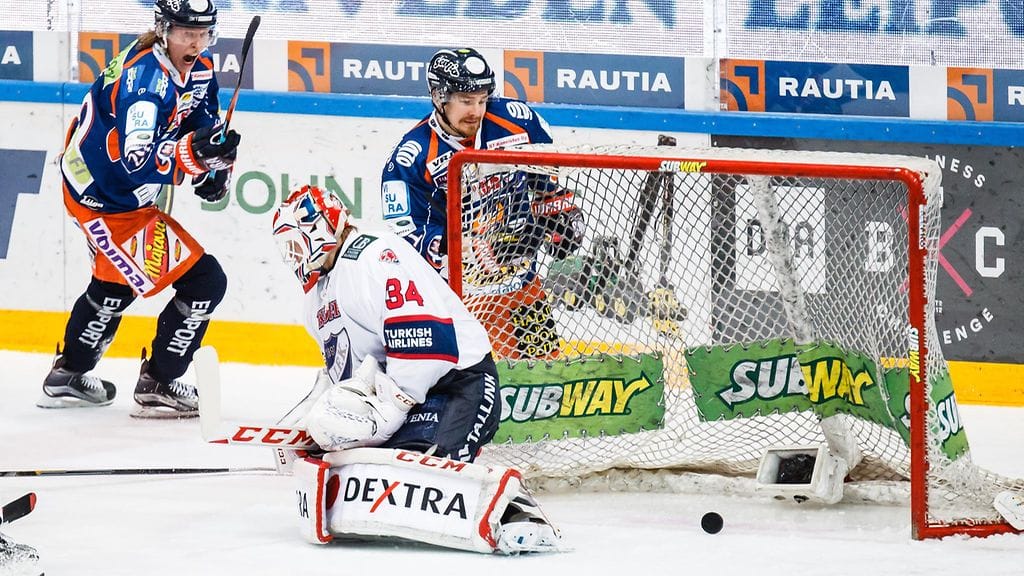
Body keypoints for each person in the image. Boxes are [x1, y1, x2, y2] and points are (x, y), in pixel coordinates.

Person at [38, 0, 240, 418]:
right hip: (106, 198)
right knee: (205, 283)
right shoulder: (146, 84)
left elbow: (200, 119)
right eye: (186, 32)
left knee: (117, 283)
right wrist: (192, 156)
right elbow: (136, 160)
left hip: (112, 191)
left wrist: (211, 166)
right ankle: (161, 381)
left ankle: (68, 374)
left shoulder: (196, 67)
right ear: (163, 29)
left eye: (204, 33)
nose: (196, 42)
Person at [380, 48, 585, 359]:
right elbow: (406, 234)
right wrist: (453, 247)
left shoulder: (516, 122)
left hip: (520, 284)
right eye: (466, 100)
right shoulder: (411, 158)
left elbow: (544, 181)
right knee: (479, 389)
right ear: (439, 97)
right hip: (457, 300)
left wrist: (558, 214)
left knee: (546, 378)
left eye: (482, 98)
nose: (476, 110)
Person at [271, 185, 500, 461]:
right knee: (351, 468)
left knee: (416, 473)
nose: (293, 256)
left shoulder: (374, 256)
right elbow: (351, 373)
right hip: (408, 398)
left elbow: (427, 344)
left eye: (295, 244)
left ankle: (513, 504)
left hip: (459, 384)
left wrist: (392, 406)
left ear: (319, 228)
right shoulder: (316, 299)